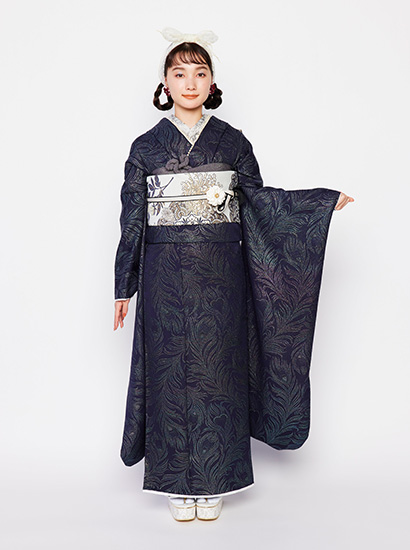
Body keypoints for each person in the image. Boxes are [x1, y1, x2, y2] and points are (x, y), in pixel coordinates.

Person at [113, 27, 354, 522]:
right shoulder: (145, 148)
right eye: (180, 73)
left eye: (200, 73)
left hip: (221, 277)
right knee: (168, 374)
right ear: (164, 82)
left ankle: (216, 480)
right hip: (163, 276)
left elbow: (259, 205)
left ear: (212, 82)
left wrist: (316, 205)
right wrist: (124, 286)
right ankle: (175, 483)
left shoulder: (233, 143)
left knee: (219, 374)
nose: (190, 82)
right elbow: (132, 219)